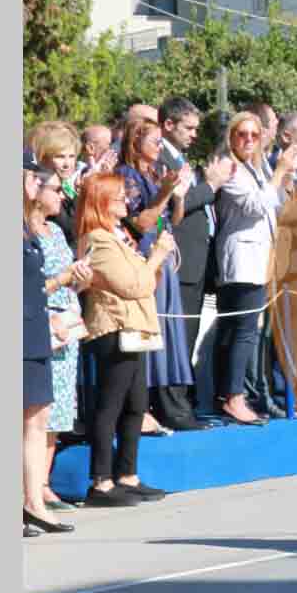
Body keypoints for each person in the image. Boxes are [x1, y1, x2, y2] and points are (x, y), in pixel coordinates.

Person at [75, 172, 174, 507]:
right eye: (118, 196)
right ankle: (100, 482)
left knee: (135, 404)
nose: (125, 200)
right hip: (114, 328)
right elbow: (133, 286)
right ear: (102, 201)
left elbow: (144, 283)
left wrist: (151, 264)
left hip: (134, 327)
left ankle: (127, 475)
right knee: (111, 404)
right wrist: (157, 255)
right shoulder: (98, 239)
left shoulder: (117, 236)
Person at [120, 119, 220, 430]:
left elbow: (172, 219)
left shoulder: (156, 172)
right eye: (154, 141)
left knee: (167, 331)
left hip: (165, 254)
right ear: (136, 142)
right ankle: (145, 406)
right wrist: (165, 192)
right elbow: (140, 223)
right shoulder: (127, 175)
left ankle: (167, 404)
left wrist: (178, 196)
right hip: (144, 257)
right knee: (149, 331)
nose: (159, 147)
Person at [213, 112, 297, 425]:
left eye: (255, 135)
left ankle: (232, 394)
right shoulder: (230, 169)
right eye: (242, 134)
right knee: (242, 331)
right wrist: (279, 170)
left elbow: (275, 203)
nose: (249, 140)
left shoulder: (255, 168)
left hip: (260, 258)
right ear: (231, 137)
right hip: (241, 259)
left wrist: (287, 174)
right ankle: (233, 397)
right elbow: (254, 206)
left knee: (242, 331)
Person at [156, 97, 231, 429]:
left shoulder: (180, 157)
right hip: (179, 260)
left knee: (188, 336)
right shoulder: (162, 157)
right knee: (178, 338)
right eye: (188, 128)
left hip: (197, 260)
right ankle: (174, 409)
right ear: (168, 125)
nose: (193, 134)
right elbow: (177, 205)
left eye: (196, 128)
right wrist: (211, 184)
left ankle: (182, 404)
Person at [26, 160, 89, 534]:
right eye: (54, 189)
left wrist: (78, 279)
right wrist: (61, 282)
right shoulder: (22, 231)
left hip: (61, 327)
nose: (62, 196)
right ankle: (31, 496)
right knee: (31, 419)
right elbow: (30, 287)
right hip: (37, 327)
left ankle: (37, 493)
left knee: (47, 416)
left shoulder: (54, 232)